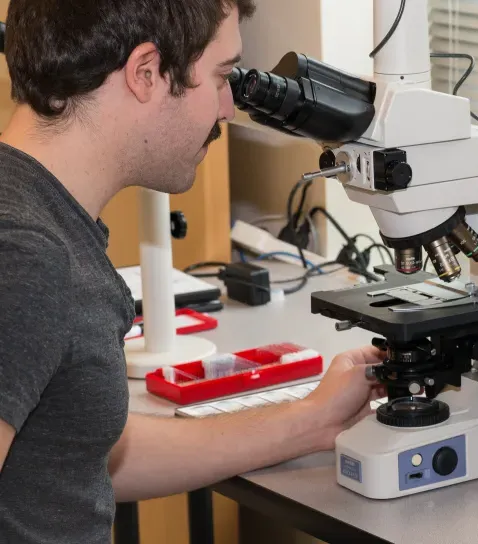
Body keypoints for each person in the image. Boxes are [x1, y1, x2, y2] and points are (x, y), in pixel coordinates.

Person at [0, 1, 386, 542]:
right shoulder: (26, 255)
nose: (228, 108)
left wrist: (312, 420)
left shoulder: (37, 213)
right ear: (145, 73)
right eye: (222, 77)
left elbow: (78, 452)